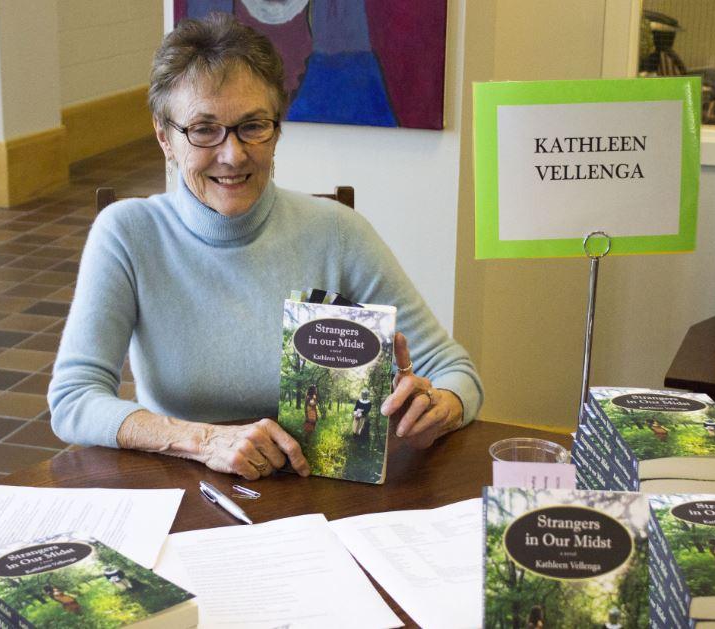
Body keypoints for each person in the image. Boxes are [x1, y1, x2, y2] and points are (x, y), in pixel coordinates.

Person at [48, 13, 483, 481]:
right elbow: (74, 398)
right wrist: (203, 440)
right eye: (203, 129)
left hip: (316, 492)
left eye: (253, 126)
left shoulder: (338, 232)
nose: (233, 155)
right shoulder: (128, 234)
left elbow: (454, 369)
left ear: (278, 128)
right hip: (182, 484)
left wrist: (442, 407)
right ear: (164, 137)